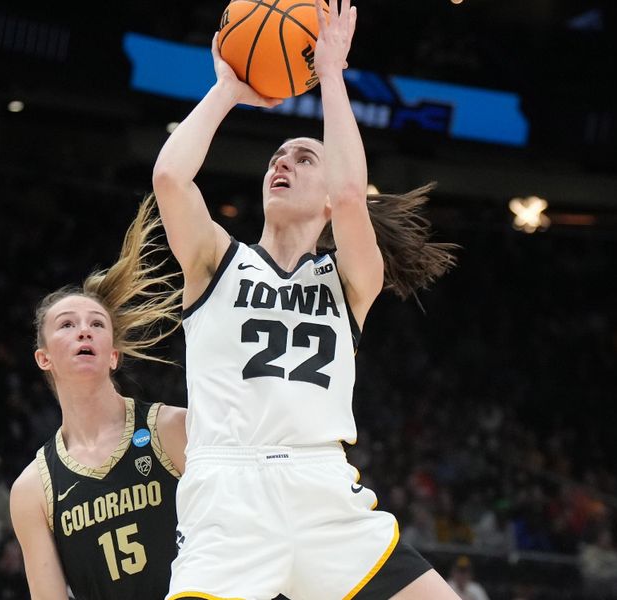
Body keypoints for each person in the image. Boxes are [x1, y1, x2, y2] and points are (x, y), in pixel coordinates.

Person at [151, 0, 459, 598]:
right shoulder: (216, 259)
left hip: (324, 491)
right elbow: (170, 178)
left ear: (326, 199)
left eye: (303, 157)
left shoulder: (350, 281)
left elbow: (351, 194)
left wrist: (334, 74)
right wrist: (226, 92)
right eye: (276, 157)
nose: (282, 163)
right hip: (229, 493)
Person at [10, 194, 187, 600]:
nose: (83, 331)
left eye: (96, 324)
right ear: (44, 358)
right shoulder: (33, 488)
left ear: (113, 355)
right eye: (67, 325)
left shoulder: (174, 429)